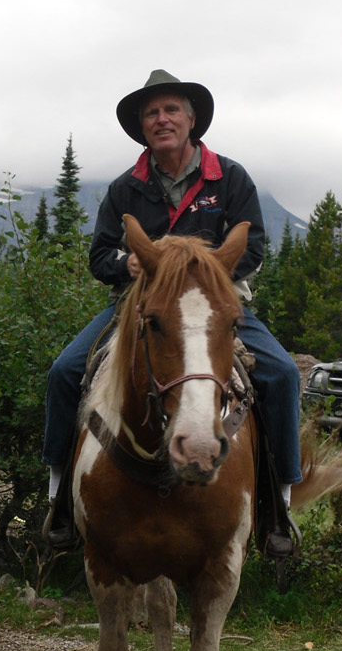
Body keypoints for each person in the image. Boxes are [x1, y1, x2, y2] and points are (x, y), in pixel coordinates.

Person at [42, 68, 302, 555]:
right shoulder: (125, 188)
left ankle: (278, 508)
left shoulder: (230, 178)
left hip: (216, 308)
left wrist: (196, 271)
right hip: (140, 308)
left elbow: (255, 248)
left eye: (171, 110)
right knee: (65, 371)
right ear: (142, 127)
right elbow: (100, 257)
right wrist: (129, 261)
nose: (162, 120)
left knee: (283, 376)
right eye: (151, 113)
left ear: (192, 119)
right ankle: (58, 499)